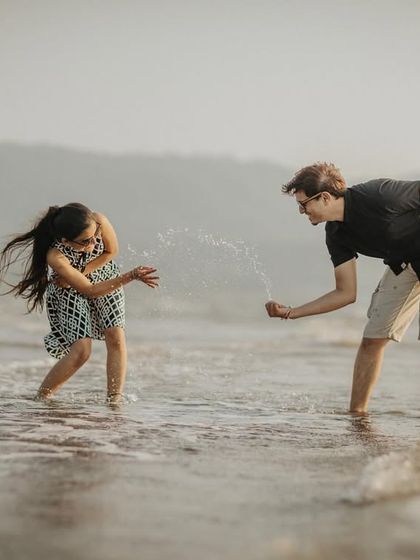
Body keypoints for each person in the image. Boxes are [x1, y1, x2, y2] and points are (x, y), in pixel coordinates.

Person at [265, 163, 420, 413]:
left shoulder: (379, 195)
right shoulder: (336, 233)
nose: (301, 211)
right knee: (372, 340)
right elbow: (345, 293)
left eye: (303, 205)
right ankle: (357, 418)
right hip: (404, 264)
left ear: (325, 197)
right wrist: (291, 312)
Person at [0, 203, 159, 403]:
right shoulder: (55, 256)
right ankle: (42, 399)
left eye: (96, 236)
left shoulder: (98, 220)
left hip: (105, 277)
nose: (93, 244)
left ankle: (114, 400)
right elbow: (88, 290)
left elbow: (110, 252)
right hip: (69, 292)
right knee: (82, 351)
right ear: (65, 241)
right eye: (85, 242)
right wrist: (131, 275)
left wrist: (82, 271)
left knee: (116, 336)